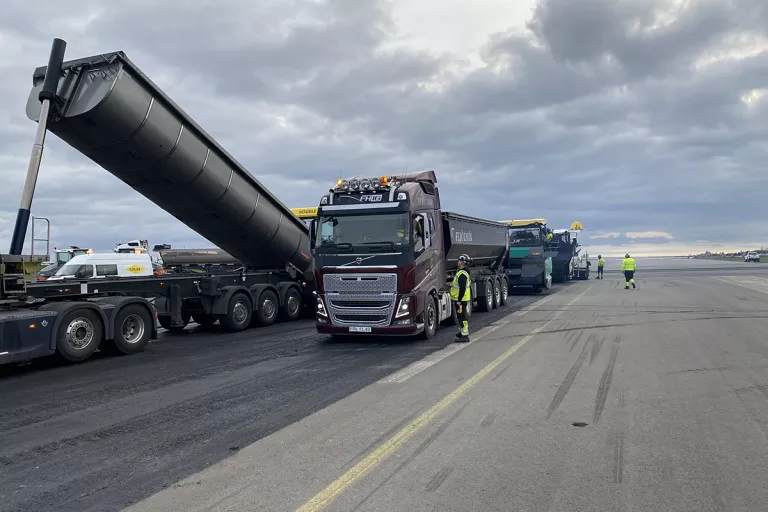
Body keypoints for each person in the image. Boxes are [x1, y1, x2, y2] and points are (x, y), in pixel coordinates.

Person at [451, 254, 472, 342]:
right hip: (462, 299)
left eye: (459, 260)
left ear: (462, 262)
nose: (458, 261)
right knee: (461, 316)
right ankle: (462, 333)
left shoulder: (462, 274)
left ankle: (465, 335)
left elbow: (462, 288)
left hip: (461, 300)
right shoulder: (463, 272)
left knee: (461, 317)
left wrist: (459, 300)